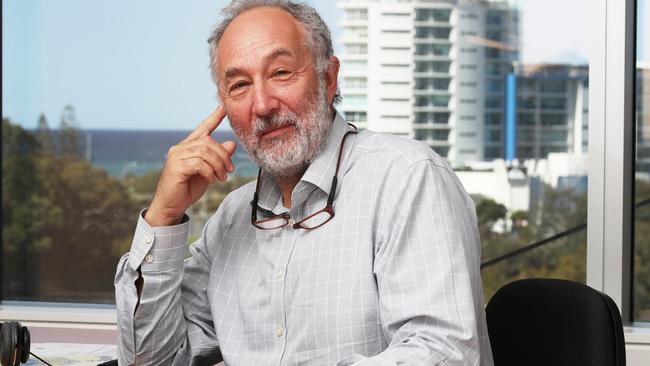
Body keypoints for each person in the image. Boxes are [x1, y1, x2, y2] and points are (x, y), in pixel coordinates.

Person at [114, 1, 494, 365]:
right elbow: (151, 359)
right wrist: (164, 215)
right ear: (225, 105)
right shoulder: (231, 219)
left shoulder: (408, 179)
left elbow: (444, 353)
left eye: (280, 73)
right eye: (240, 85)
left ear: (329, 78)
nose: (262, 105)